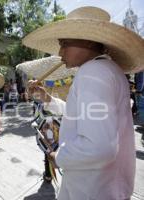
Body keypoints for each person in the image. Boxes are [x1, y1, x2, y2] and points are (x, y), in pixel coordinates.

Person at [24, 6, 144, 200]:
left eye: (64, 43)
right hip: (107, 188)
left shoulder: (93, 73)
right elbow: (84, 113)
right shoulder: (107, 70)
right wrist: (47, 99)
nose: (60, 51)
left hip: (90, 190)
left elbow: (99, 147)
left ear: (88, 41)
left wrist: (59, 158)